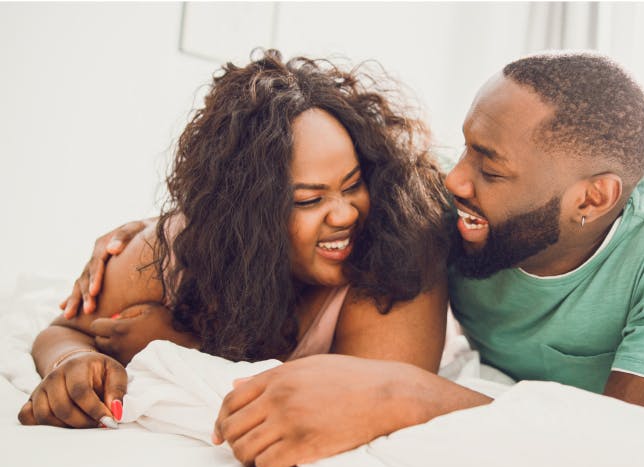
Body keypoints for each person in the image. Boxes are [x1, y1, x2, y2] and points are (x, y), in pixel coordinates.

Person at [60, 52, 644, 467]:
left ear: (593, 198)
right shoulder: (458, 199)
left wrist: (408, 392)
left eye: (487, 167)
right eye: (465, 149)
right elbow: (268, 191)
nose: (452, 179)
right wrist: (160, 232)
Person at [17, 49, 453, 430]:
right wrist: (72, 363)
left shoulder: (394, 260)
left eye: (353, 183)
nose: (345, 214)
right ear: (249, 217)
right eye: (308, 200)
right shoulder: (173, 250)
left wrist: (184, 348)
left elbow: (361, 406)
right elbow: (64, 331)